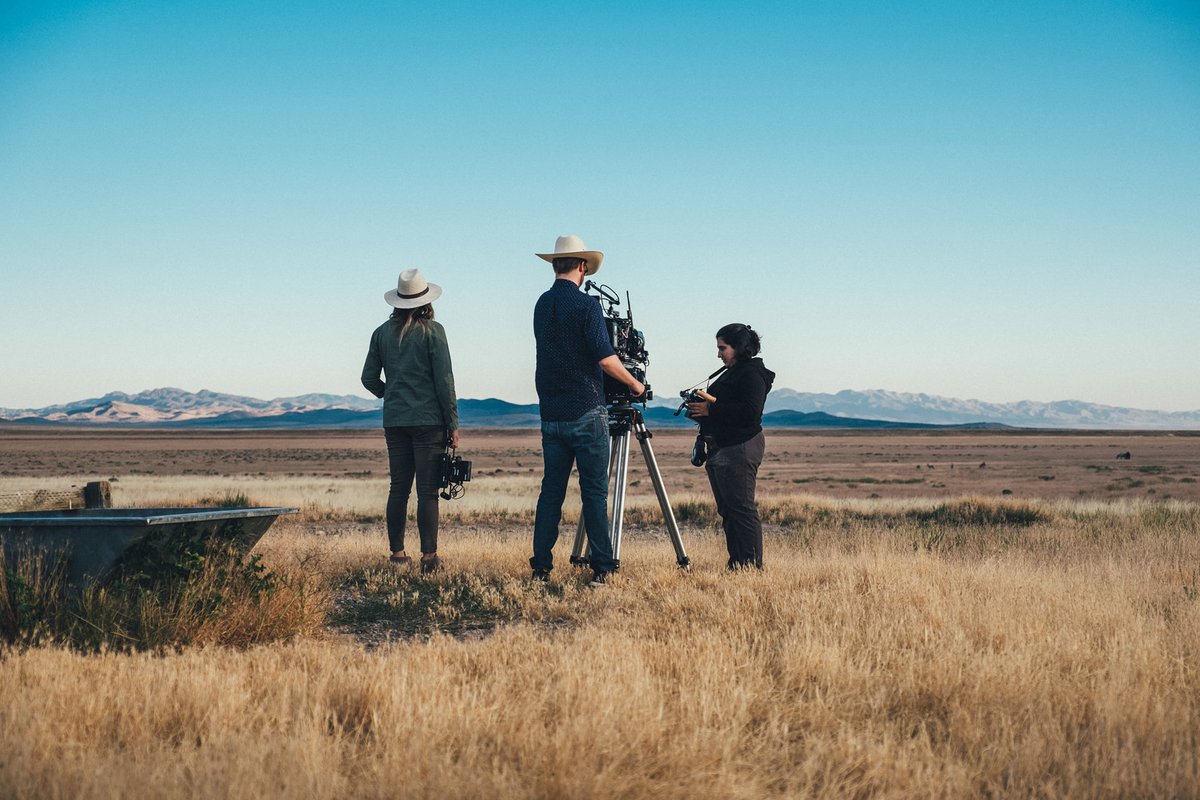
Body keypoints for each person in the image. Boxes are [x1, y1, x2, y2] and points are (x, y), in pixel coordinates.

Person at [531, 235, 645, 586]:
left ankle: (541, 567)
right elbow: (605, 358)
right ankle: (603, 567)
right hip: (585, 410)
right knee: (594, 493)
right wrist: (635, 385)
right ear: (582, 266)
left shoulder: (540, 304)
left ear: (555, 265)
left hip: (551, 414)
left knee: (551, 492)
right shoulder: (587, 306)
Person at [361, 268, 459, 574]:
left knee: (398, 489)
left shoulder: (380, 333)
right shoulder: (433, 331)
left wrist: (390, 394)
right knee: (427, 492)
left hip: (395, 421)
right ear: (426, 301)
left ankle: (398, 555)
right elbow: (444, 382)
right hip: (429, 421)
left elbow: (367, 379)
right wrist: (453, 423)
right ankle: (429, 558)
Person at [686, 323, 775, 570]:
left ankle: (751, 566)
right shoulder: (732, 372)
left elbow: (750, 412)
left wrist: (710, 409)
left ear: (739, 348)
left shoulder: (751, 374)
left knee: (742, 509)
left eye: (722, 348)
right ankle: (737, 564)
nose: (718, 354)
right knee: (729, 510)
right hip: (722, 447)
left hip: (740, 446)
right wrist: (701, 413)